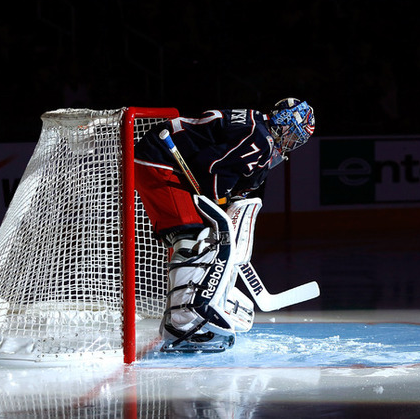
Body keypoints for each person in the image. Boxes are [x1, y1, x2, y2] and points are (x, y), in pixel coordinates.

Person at [134, 98, 315, 352]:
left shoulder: (259, 129)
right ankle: (181, 322)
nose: (293, 143)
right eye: (294, 134)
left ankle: (190, 310)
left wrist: (224, 199)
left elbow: (220, 169)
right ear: (284, 122)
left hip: (165, 159)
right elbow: (212, 168)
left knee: (204, 236)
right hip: (160, 160)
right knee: (192, 235)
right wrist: (220, 201)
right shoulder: (260, 139)